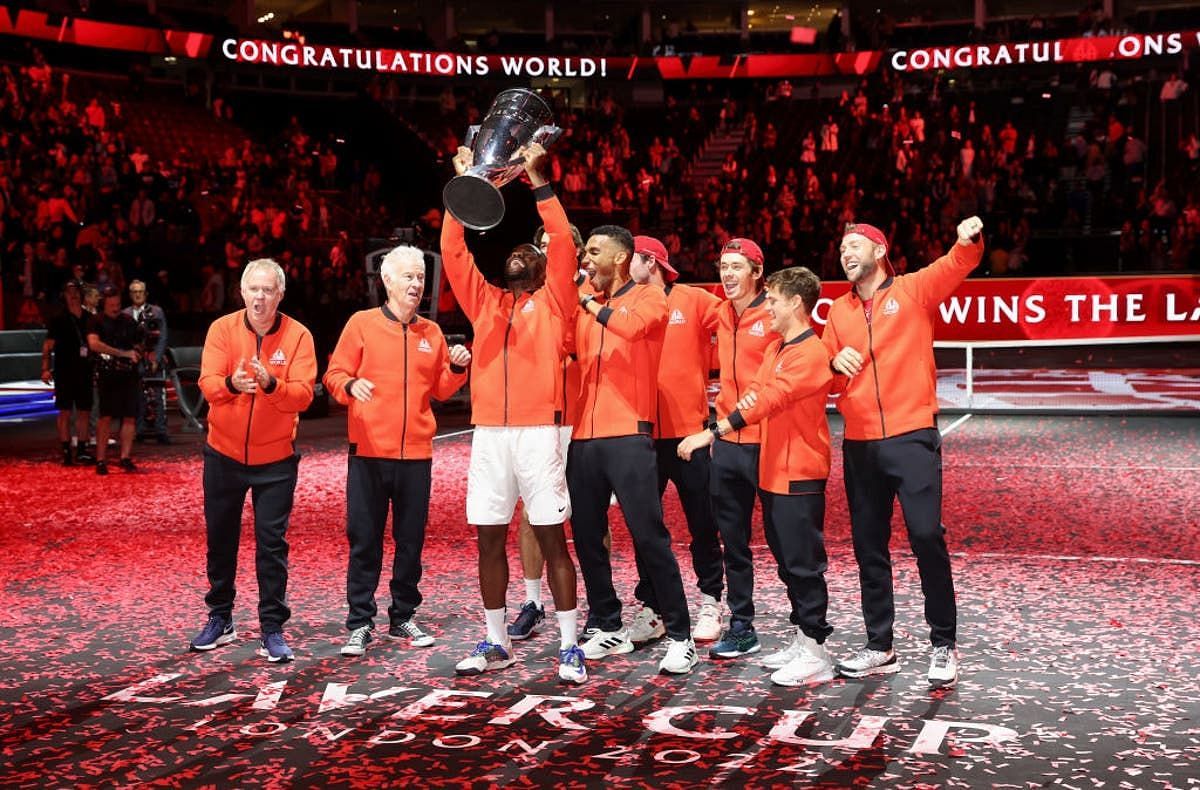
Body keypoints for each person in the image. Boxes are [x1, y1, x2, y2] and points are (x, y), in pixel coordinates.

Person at [441, 143, 586, 684]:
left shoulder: (555, 302)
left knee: (551, 536)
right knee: (487, 537)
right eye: (515, 251)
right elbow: (455, 252)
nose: (521, 254)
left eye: (532, 250)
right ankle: (496, 639)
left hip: (538, 431)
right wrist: (462, 188)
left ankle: (570, 645)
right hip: (490, 434)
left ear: (546, 266)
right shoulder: (486, 303)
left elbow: (565, 249)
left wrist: (539, 182)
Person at [824, 218, 984, 689]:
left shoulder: (914, 289)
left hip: (912, 435)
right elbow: (829, 378)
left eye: (853, 246)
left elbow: (960, 262)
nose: (845, 254)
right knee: (868, 547)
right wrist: (833, 364)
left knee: (925, 536)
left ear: (879, 250)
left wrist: (967, 237)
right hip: (859, 442)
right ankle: (880, 646)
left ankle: (943, 643)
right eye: (840, 248)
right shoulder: (837, 312)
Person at [678, 266, 836, 686]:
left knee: (803, 565)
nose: (768, 305)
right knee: (788, 563)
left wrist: (710, 431)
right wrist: (732, 420)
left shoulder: (809, 353)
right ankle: (804, 638)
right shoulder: (777, 350)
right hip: (774, 471)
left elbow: (768, 399)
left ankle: (817, 650)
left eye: (775, 299)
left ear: (796, 305)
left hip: (800, 471)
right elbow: (756, 394)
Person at [323, 245, 471, 657]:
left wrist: (457, 368)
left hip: (416, 456)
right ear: (386, 281)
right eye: (408, 277)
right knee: (365, 540)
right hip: (369, 451)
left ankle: (403, 615)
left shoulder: (432, 332)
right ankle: (360, 622)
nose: (416, 284)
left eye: (420, 278)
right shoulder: (362, 325)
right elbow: (334, 374)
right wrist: (351, 386)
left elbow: (441, 388)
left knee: (411, 541)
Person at [569, 224, 697, 675]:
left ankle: (681, 635)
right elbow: (565, 346)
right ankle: (607, 623)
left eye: (594, 252)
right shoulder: (586, 304)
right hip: (583, 436)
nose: (586, 261)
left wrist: (585, 303)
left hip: (629, 434)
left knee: (649, 537)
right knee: (586, 537)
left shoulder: (648, 297)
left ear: (620, 259)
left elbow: (632, 327)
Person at [190, 258, 317, 663]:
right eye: (253, 290)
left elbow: (303, 396)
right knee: (220, 539)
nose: (260, 297)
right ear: (241, 293)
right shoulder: (222, 329)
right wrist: (232, 384)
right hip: (223, 454)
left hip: (276, 460)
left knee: (271, 546)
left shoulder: (298, 336)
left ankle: (272, 628)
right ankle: (220, 617)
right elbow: (207, 384)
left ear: (280, 295)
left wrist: (270, 384)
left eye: (268, 290)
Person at [623, 235, 725, 645]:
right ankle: (655, 605)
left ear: (649, 261)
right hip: (642, 433)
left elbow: (739, 326)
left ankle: (710, 599)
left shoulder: (694, 299)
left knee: (703, 522)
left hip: (690, 434)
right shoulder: (627, 302)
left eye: (627, 258)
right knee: (645, 526)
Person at [701, 238, 781, 661]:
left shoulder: (776, 311)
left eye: (736, 267)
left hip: (768, 442)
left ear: (757, 271)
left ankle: (808, 631)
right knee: (733, 543)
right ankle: (742, 625)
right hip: (728, 443)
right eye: (723, 266)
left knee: (785, 542)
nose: (727, 274)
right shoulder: (719, 312)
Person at [507, 220, 586, 642]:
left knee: (590, 516)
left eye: (556, 246)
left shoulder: (590, 297)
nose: (547, 252)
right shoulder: (526, 305)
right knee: (531, 514)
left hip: (585, 419)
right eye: (542, 246)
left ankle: (598, 604)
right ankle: (533, 601)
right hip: (540, 422)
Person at [86, 287, 141, 475]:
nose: (115, 308)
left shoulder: (128, 321)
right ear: (104, 304)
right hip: (107, 374)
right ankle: (100, 459)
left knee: (130, 416)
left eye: (117, 304)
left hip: (129, 374)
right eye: (111, 305)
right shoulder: (96, 321)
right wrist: (122, 353)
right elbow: (93, 344)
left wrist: (141, 353)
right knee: (105, 416)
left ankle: (125, 457)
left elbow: (139, 342)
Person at [41, 282, 94, 465]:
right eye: (69, 292)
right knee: (64, 412)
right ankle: (66, 451)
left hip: (85, 369)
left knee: (84, 412)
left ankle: (81, 450)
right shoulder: (58, 318)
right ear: (64, 295)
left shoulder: (89, 318)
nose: (73, 295)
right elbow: (48, 345)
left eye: (76, 292)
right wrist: (45, 368)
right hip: (64, 370)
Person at [122, 279, 170, 444]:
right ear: (130, 294)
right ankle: (140, 430)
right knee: (136, 397)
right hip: (132, 361)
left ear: (146, 294)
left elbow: (163, 336)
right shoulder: (124, 314)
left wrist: (156, 357)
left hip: (152, 359)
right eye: (134, 292)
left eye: (140, 291)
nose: (137, 294)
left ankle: (161, 431)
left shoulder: (156, 312)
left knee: (157, 396)